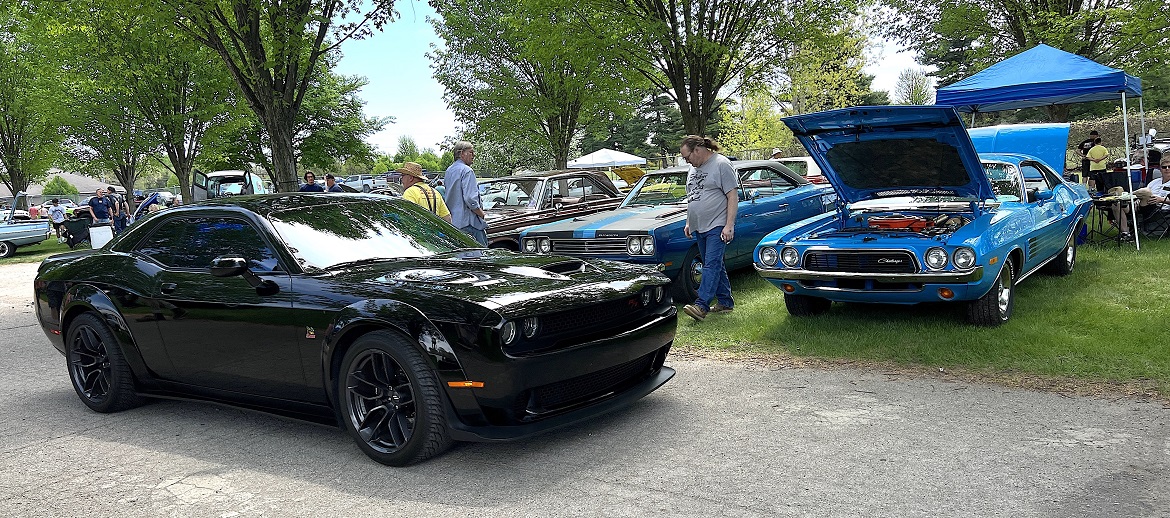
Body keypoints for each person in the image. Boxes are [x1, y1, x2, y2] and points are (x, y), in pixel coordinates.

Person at [679, 135, 738, 322]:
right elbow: (692, 198)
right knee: (714, 264)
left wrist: (729, 225)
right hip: (699, 226)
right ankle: (725, 302)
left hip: (717, 224)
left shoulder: (721, 164)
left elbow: (732, 196)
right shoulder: (692, 169)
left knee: (710, 264)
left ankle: (701, 305)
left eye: (687, 157)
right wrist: (690, 222)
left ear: (697, 150)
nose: (686, 161)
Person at [443, 141, 488, 245]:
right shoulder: (467, 171)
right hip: (469, 224)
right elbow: (470, 199)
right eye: (471, 152)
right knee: (481, 255)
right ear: (462, 153)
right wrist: (482, 214)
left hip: (454, 223)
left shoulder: (449, 171)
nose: (474, 155)